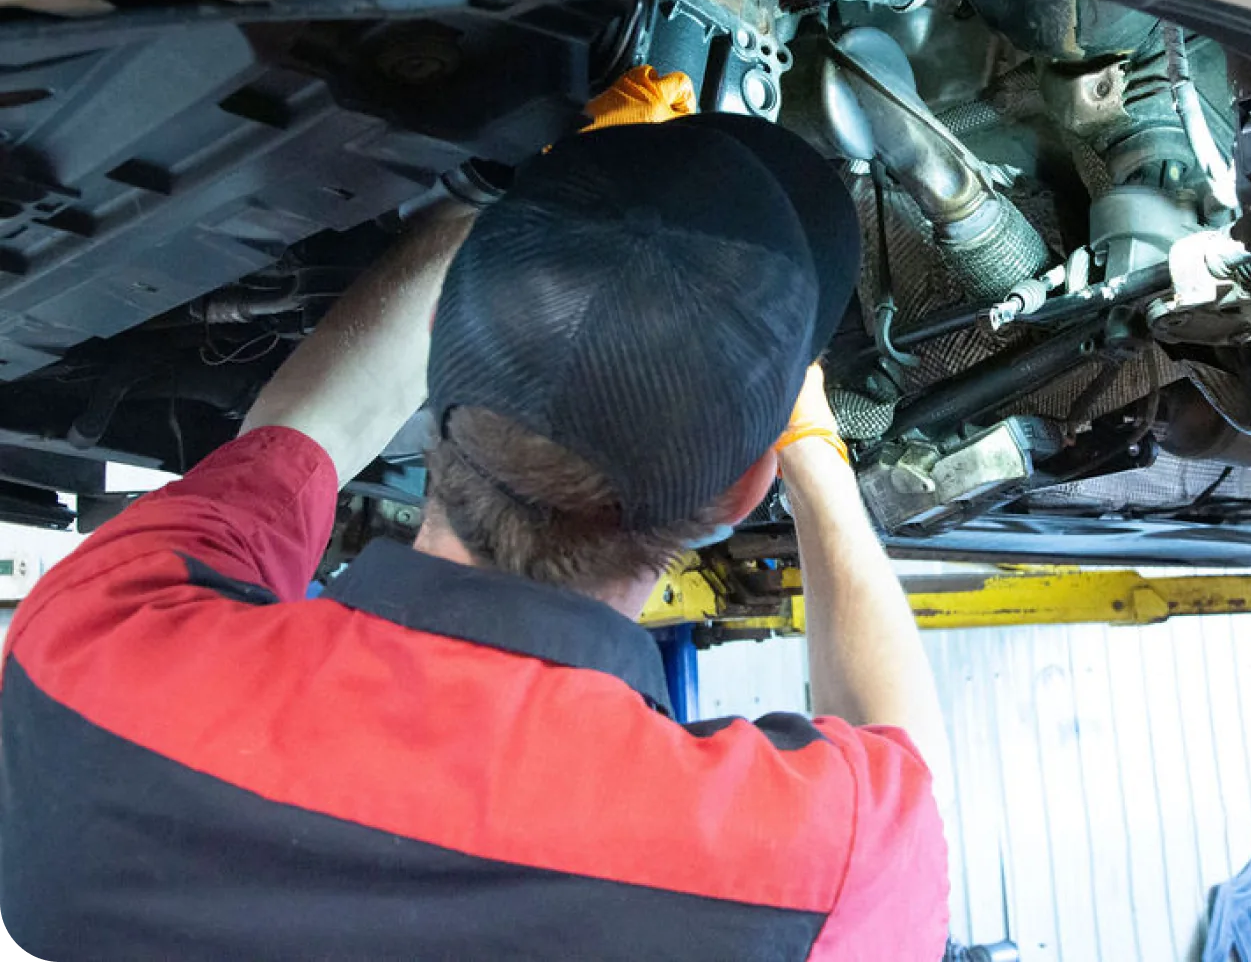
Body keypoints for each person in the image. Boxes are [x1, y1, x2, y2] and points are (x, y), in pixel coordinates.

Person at [0, 69, 952, 960]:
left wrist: (520, 206)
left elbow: (295, 441)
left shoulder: (92, 654)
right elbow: (897, 774)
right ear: (745, 490)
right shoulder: (798, 875)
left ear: (435, 350)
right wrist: (812, 452)